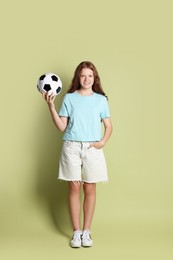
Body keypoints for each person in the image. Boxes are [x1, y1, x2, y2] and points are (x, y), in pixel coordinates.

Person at [42, 61, 112, 248]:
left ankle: (87, 231)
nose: (86, 79)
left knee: (90, 188)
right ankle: (76, 232)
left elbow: (109, 126)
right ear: (77, 78)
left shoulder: (101, 99)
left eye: (90, 75)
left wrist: (103, 142)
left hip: (92, 149)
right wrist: (51, 107)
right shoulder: (69, 98)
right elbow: (61, 127)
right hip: (71, 147)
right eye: (83, 75)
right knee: (74, 188)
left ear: (94, 78)